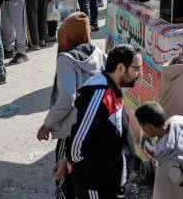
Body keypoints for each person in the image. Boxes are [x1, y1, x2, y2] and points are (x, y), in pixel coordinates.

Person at [54, 45, 143, 199]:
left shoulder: (112, 89)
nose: (139, 74)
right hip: (96, 184)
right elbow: (79, 141)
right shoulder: (100, 95)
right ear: (121, 68)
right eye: (136, 69)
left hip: (109, 183)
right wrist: (70, 159)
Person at [37, 12, 107, 199]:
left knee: (63, 180)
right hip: (93, 128)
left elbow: (67, 98)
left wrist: (47, 124)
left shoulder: (66, 60)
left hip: (71, 132)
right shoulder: (99, 53)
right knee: (85, 179)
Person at [135, 102, 183, 199]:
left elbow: (178, 180)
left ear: (150, 126)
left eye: (142, 127)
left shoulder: (166, 156)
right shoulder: (176, 119)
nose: (143, 130)